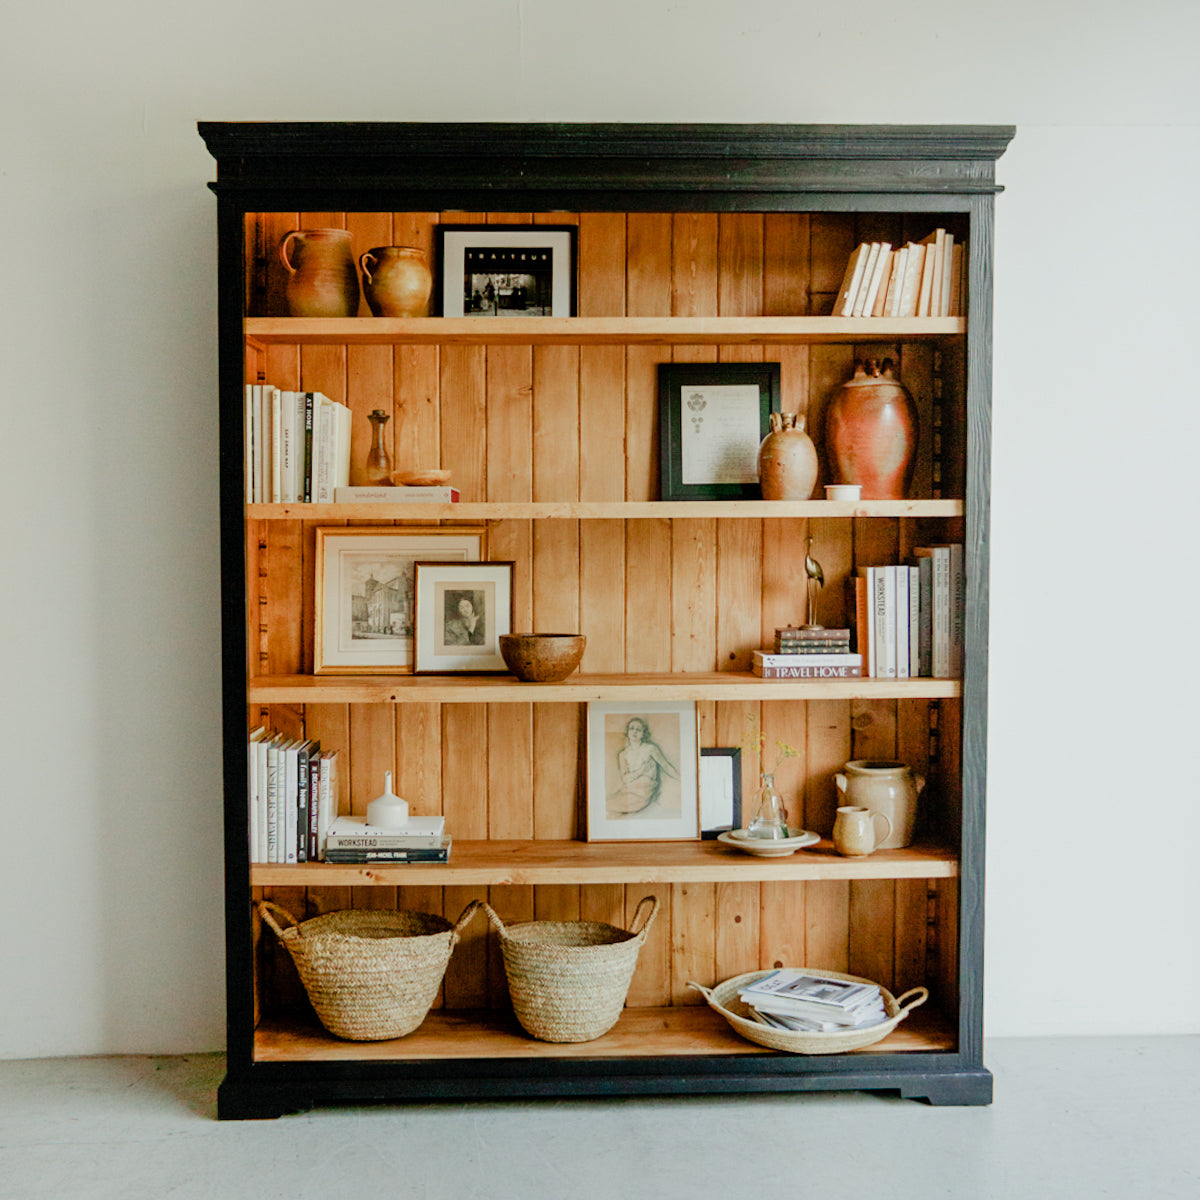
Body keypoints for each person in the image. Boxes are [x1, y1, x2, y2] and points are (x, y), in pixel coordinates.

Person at [608, 716, 679, 816]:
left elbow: (666, 766)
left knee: (610, 806)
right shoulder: (623, 754)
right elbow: (626, 779)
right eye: (632, 728)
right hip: (628, 790)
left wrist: (681, 779)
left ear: (643, 733)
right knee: (609, 804)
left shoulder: (650, 749)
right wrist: (642, 770)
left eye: (638, 729)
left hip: (643, 793)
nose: (634, 732)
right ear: (628, 732)